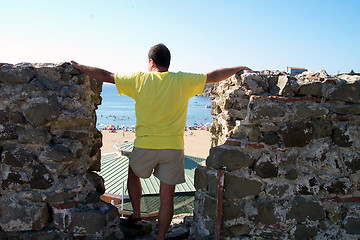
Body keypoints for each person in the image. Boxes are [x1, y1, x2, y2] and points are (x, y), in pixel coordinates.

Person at [71, 43, 250, 240]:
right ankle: (161, 237)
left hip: (145, 144)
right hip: (173, 147)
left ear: (151, 62)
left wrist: (79, 66)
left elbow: (107, 76)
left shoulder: (140, 80)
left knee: (133, 175)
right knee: (167, 199)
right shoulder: (182, 80)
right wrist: (237, 68)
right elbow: (212, 76)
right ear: (168, 63)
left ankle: (137, 216)